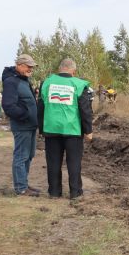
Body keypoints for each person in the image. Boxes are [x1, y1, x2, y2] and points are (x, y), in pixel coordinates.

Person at [38, 58, 93, 199]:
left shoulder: (46, 84)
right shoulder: (79, 84)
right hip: (72, 130)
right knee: (74, 162)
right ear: (73, 71)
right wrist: (88, 130)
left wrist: (41, 129)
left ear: (60, 68)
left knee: (53, 162)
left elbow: (40, 108)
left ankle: (54, 192)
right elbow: (85, 110)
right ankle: (75, 192)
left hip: (51, 129)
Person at [1, 54, 40, 197]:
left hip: (30, 126)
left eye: (32, 67)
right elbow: (8, 105)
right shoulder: (11, 82)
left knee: (29, 155)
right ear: (19, 65)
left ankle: (23, 183)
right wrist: (24, 115)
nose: (31, 69)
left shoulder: (24, 80)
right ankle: (21, 188)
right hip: (22, 125)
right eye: (28, 66)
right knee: (21, 156)